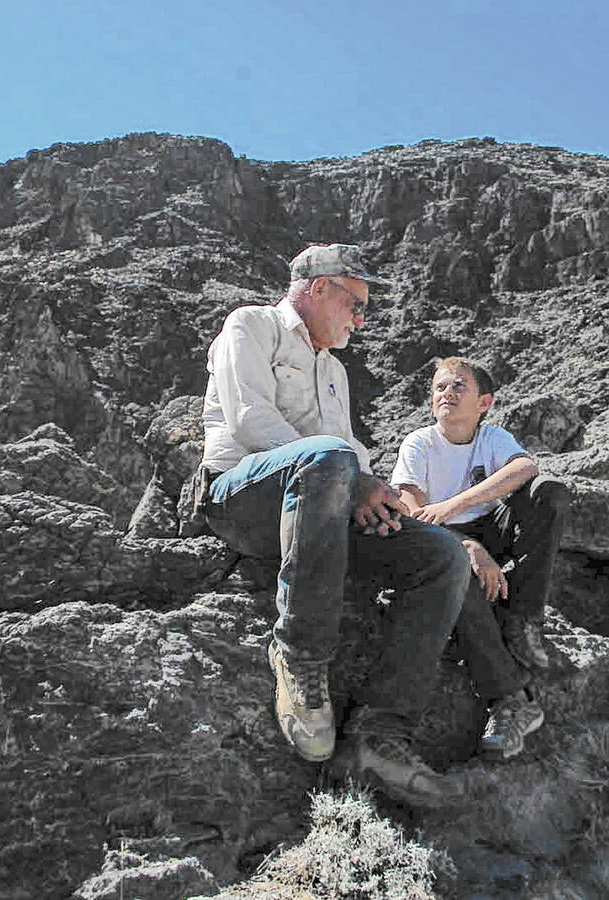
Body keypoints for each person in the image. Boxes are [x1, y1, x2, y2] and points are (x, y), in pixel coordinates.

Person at [198, 243, 473, 807]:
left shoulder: (334, 372)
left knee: (440, 555)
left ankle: (379, 735)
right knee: (327, 458)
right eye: (355, 304)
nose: (361, 320)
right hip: (243, 499)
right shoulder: (250, 326)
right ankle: (299, 656)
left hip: (324, 505)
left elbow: (347, 451)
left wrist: (378, 495)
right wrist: (346, 474)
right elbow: (252, 422)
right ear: (319, 288)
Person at [390, 357, 569, 759]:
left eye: (458, 387)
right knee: (457, 577)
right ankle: (510, 700)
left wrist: (456, 506)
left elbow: (525, 467)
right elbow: (412, 512)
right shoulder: (418, 444)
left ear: (483, 403)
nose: (446, 394)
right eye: (439, 387)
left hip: (483, 523)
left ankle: (523, 620)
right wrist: (466, 546)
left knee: (548, 494)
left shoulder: (492, 438)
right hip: (437, 539)